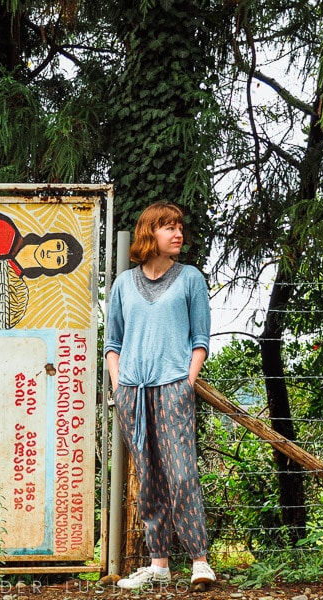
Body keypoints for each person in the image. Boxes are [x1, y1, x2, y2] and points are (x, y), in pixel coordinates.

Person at [104, 201, 215, 590]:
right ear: (149, 233)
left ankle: (200, 561)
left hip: (173, 387)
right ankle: (159, 565)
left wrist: (188, 380)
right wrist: (120, 385)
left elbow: (200, 340)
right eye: (168, 227)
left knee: (181, 474)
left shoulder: (190, 279)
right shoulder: (122, 284)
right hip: (133, 391)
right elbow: (112, 342)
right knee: (149, 477)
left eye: (179, 226)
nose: (178, 233)